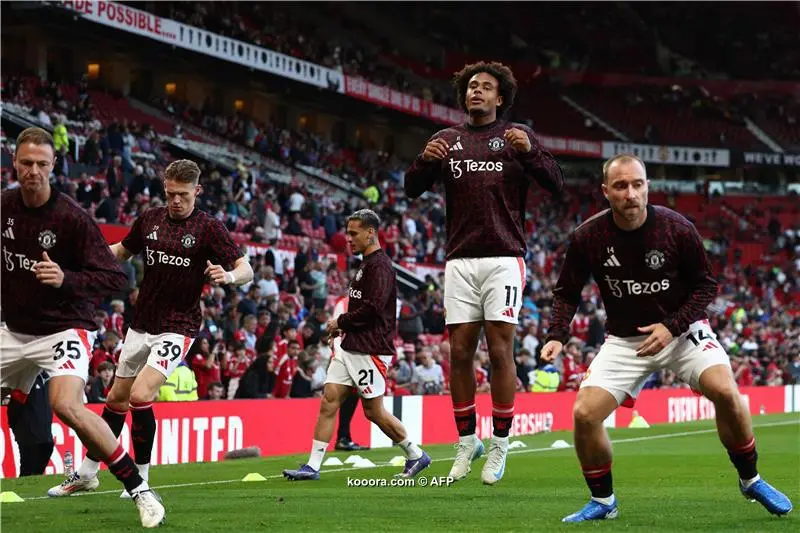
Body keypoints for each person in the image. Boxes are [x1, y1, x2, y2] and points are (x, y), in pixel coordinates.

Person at [539, 154, 792, 522]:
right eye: (621, 186)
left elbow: (707, 286)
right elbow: (566, 291)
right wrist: (558, 335)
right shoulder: (588, 236)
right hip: (626, 341)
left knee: (726, 391)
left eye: (637, 184)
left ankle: (750, 479)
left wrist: (671, 326)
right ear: (606, 191)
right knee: (584, 414)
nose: (631, 193)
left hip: (683, 330)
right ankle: (604, 502)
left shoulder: (676, 227)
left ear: (648, 188)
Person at [50, 159, 253, 498]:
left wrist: (229, 276)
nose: (176, 201)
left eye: (183, 195)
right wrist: (85, 262)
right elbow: (121, 252)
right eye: (171, 193)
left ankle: (140, 480)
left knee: (140, 396)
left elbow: (245, 267)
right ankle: (87, 473)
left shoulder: (209, 228)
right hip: (142, 323)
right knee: (115, 398)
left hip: (178, 326)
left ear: (197, 191)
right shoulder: (150, 220)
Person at [403, 61, 564, 484]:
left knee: (499, 352)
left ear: (500, 97)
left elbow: (556, 182)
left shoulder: (516, 138)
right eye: (472, 86)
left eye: (486, 87)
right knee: (458, 353)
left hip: (503, 258)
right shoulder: (446, 140)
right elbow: (410, 187)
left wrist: (530, 152)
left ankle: (500, 446)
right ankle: (466, 442)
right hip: (459, 259)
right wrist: (423, 160)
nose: (477, 91)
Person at [2, 127, 164, 527]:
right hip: (12, 328)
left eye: (42, 164)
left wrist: (66, 279)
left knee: (66, 405)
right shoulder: (3, 206)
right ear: (14, 163)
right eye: (26, 163)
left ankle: (140, 491)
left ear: (54, 165)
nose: (33, 171)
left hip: (63, 328)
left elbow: (116, 279)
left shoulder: (72, 218)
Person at [283, 209, 430, 480]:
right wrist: (341, 332)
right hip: (351, 344)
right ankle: (312, 466)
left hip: (371, 348)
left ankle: (415, 454)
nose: (348, 239)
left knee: (373, 411)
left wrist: (340, 322)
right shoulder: (365, 264)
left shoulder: (381, 266)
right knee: (329, 401)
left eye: (353, 233)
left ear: (370, 232)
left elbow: (373, 309)